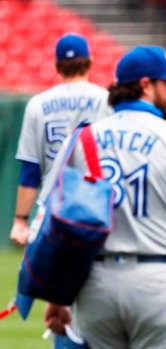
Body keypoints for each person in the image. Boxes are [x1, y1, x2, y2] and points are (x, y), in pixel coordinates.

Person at [42, 45, 166, 349]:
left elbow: (57, 225)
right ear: (146, 85)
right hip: (155, 280)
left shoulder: (80, 141)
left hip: (95, 283)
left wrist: (58, 294)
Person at [10, 33, 112, 246]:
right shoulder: (108, 100)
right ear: (90, 62)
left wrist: (20, 220)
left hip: (54, 208)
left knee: (52, 277)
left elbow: (31, 170)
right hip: (98, 206)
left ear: (57, 66)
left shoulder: (37, 104)